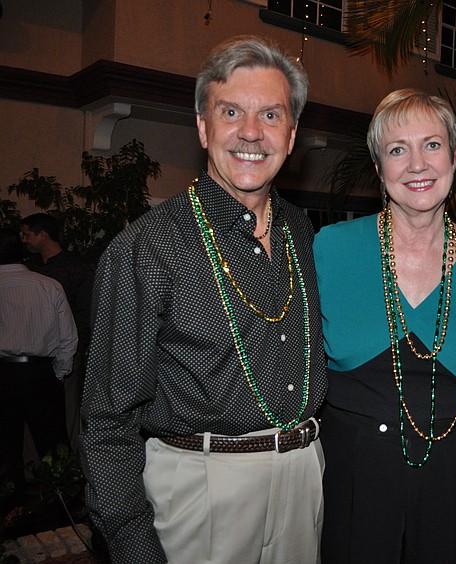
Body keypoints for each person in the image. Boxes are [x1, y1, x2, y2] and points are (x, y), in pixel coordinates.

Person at [79, 35, 326, 564]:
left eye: (271, 115)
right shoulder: (148, 247)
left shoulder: (303, 234)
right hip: (202, 494)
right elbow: (106, 422)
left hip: (304, 479)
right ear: (202, 125)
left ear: (292, 133)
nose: (251, 133)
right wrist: (133, 548)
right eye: (231, 111)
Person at [314, 89, 456, 563]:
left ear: (454, 157)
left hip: (454, 503)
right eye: (397, 149)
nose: (417, 164)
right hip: (351, 503)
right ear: (379, 169)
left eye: (431, 145)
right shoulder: (329, 251)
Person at [0, 227, 77, 508]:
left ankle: (12, 508)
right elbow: (68, 336)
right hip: (39, 372)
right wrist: (58, 372)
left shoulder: (47, 284)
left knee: (5, 448)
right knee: (52, 443)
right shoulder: (47, 285)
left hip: (3, 375)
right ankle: (61, 505)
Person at [21, 212, 95, 446]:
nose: (23, 240)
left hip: (67, 350)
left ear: (43, 235)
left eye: (27, 235)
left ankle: (67, 467)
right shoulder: (28, 270)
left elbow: (84, 315)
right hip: (34, 354)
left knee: (66, 409)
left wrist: (76, 351)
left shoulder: (76, 269)